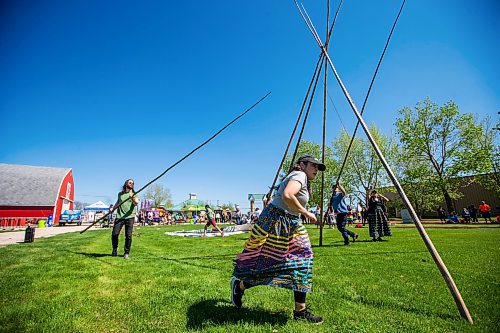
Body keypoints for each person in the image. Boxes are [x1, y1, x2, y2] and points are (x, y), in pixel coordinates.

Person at [230, 155, 326, 324]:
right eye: (313, 165)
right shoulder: (299, 175)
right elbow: (288, 195)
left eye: (318, 167)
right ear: (302, 165)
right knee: (268, 264)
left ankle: (300, 311)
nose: (316, 169)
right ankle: (239, 287)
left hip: (290, 222)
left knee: (302, 262)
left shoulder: (301, 177)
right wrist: (307, 212)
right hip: (276, 221)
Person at [110, 179, 139, 259]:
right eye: (130, 182)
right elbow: (118, 202)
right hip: (119, 216)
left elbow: (136, 203)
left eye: (133, 183)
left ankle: (126, 253)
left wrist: (132, 198)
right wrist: (113, 209)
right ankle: (115, 249)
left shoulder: (134, 194)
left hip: (130, 217)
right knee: (114, 234)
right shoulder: (120, 194)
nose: (131, 184)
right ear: (126, 183)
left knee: (128, 236)